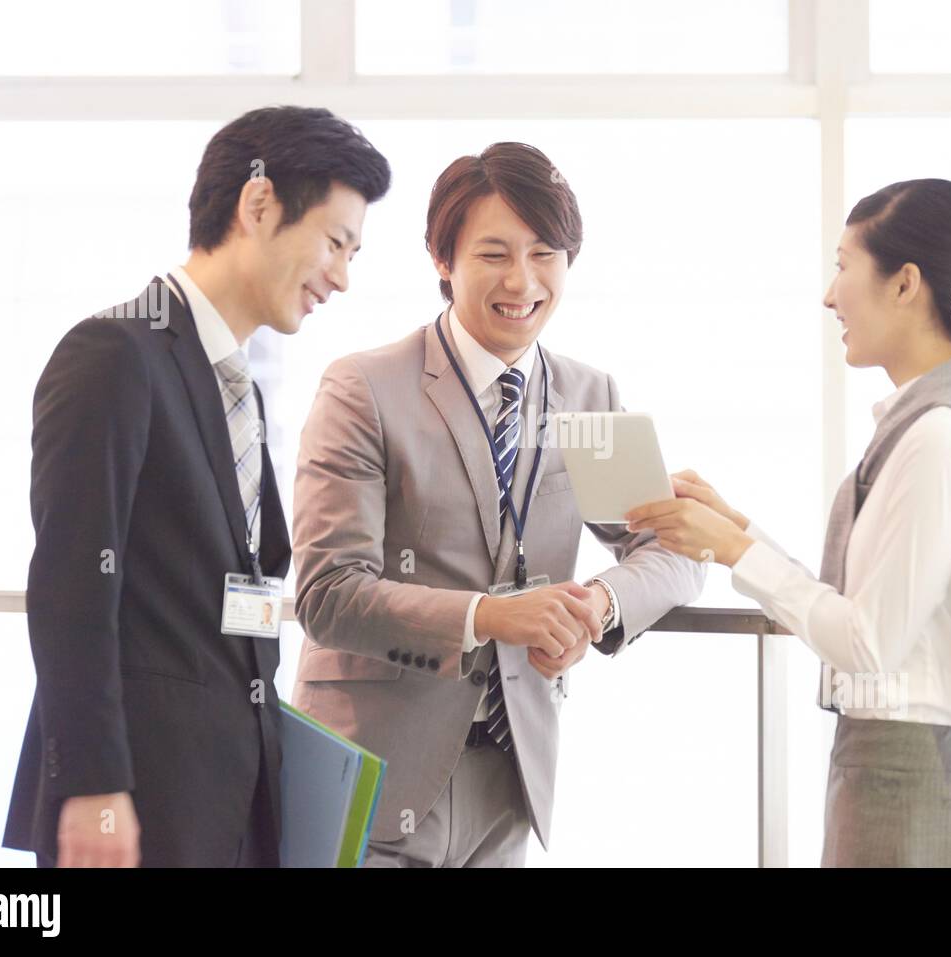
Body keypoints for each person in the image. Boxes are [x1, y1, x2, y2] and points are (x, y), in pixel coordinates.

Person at [627, 178, 951, 867]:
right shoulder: (940, 420)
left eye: (842, 265)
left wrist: (739, 549)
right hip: (896, 772)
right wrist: (737, 530)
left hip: (908, 782)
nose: (829, 295)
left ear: (904, 284)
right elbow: (871, 610)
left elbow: (866, 642)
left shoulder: (938, 435)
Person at [291, 141, 705, 867]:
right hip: (371, 774)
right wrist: (486, 616)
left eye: (546, 253)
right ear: (441, 260)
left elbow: (673, 546)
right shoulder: (364, 389)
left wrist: (599, 605)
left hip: (508, 781)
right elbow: (328, 593)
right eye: (494, 254)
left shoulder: (587, 397)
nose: (523, 280)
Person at [2, 106, 391, 867]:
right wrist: (92, 786)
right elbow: (70, 586)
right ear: (258, 205)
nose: (342, 277)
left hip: (234, 803)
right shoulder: (115, 353)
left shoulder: (234, 386)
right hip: (139, 802)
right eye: (336, 243)